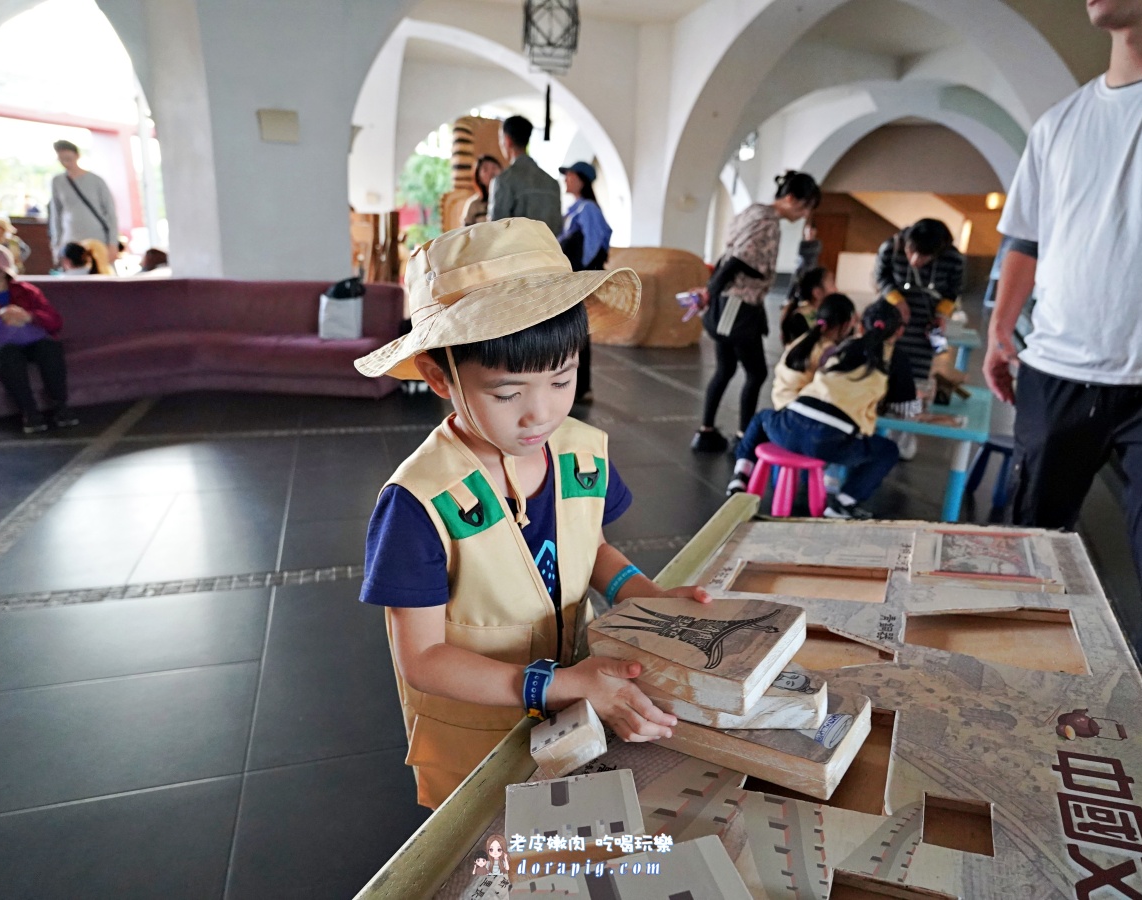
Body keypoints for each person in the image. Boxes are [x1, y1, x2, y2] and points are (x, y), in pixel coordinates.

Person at [354, 218, 711, 809]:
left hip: (576, 710)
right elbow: (422, 659)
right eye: (506, 392)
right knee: (492, 855)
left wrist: (642, 593)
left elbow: (589, 548)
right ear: (439, 376)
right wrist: (563, 683)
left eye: (562, 379)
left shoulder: (580, 451)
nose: (539, 415)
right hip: (478, 739)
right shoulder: (417, 503)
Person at [983, 0, 1142, 747]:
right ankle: (1011, 706)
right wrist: (1002, 332)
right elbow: (1025, 241)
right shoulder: (1060, 124)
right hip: (1056, 369)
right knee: (1026, 554)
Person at [726, 300, 905, 519]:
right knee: (886, 450)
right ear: (898, 332)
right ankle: (843, 502)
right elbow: (901, 404)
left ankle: (740, 475)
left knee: (761, 417)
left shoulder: (824, 346)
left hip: (790, 417)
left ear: (859, 325)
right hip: (827, 437)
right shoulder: (884, 357)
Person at [692, 170, 823, 453]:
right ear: (789, 198)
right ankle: (744, 436)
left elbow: (731, 256)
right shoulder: (768, 222)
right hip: (738, 305)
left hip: (732, 303)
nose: (803, 215)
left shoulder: (754, 211)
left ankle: (706, 431)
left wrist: (710, 292)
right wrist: (709, 291)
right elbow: (734, 262)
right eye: (803, 207)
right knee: (756, 372)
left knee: (726, 369)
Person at [0, 243, 78, 434]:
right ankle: (29, 412)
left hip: (32, 340)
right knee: (8, 355)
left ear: (1, 271)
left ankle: (61, 407)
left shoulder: (27, 291)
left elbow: (54, 322)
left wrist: (29, 316)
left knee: (50, 348)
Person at [874, 218, 963, 383]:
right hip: (892, 318)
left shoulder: (953, 259)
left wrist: (941, 315)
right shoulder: (891, 247)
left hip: (925, 322)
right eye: (910, 250)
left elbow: (953, 291)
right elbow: (880, 277)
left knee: (915, 375)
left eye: (923, 256)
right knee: (882, 367)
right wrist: (897, 300)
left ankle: (910, 403)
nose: (914, 260)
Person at [557, 160, 612, 405]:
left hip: (578, 281)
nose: (566, 180)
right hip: (573, 280)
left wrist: (580, 277)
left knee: (579, 333)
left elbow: (591, 246)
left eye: (569, 175)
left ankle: (581, 388)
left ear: (581, 179)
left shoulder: (587, 209)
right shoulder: (576, 209)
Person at [770, 292, 857, 412]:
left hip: (779, 401)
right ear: (846, 325)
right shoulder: (828, 350)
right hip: (795, 410)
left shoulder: (806, 338)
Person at [487, 116, 563, 236]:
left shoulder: (504, 181)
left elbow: (495, 230)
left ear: (507, 140)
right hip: (548, 253)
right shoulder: (552, 183)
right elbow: (558, 228)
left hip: (517, 254)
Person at [48, 140, 119, 264]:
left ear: (77, 155)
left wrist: (113, 243)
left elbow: (111, 213)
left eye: (68, 158)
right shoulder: (57, 182)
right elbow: (56, 215)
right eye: (62, 159)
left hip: (97, 237)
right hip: (71, 239)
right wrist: (56, 244)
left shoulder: (96, 181)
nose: (65, 162)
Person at [780, 265, 836, 347]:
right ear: (817, 293)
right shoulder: (800, 317)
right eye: (832, 285)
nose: (836, 289)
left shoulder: (825, 312)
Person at [462, 155, 503, 228]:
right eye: (485, 169)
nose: (492, 172)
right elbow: (464, 233)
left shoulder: (509, 199)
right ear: (478, 178)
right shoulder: (473, 204)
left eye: (494, 167)